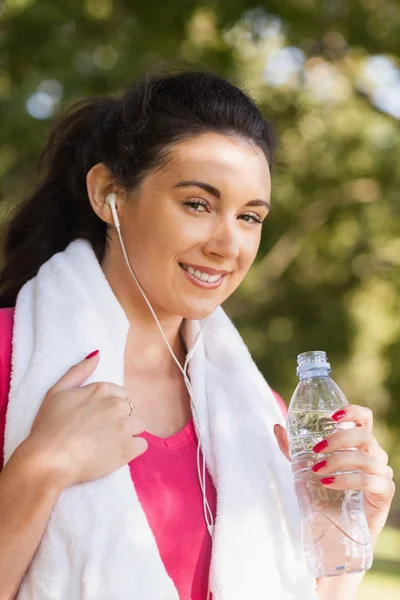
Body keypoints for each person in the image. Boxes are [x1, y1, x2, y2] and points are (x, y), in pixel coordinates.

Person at [0, 68, 394, 600]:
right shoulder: (12, 359)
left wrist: (349, 535)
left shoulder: (262, 415)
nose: (227, 245)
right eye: (198, 204)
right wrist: (39, 469)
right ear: (108, 195)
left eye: (250, 217)